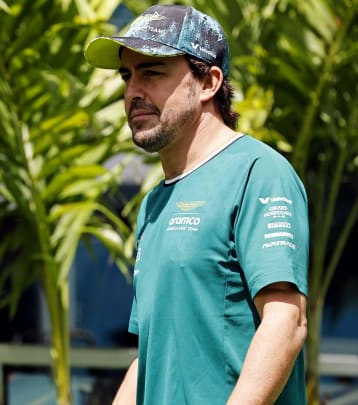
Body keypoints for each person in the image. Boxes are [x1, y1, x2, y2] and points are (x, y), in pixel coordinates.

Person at [84, 5, 309, 404]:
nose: (133, 91)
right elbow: (151, 356)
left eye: (152, 73)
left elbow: (286, 321)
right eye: (127, 75)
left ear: (208, 83)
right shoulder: (154, 204)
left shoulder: (258, 173)